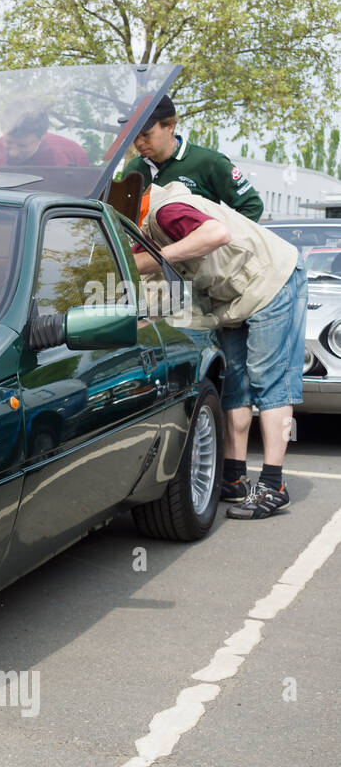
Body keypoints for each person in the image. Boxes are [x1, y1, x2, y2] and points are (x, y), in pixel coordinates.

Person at [134, 181, 306, 518]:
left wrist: (154, 258)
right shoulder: (145, 230)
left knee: (269, 382)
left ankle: (274, 486)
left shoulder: (165, 211)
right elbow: (162, 299)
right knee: (235, 382)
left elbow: (216, 234)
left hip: (272, 280)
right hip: (233, 298)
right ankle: (234, 477)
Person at [124, 95, 263, 222]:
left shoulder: (210, 162)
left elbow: (252, 206)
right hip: (145, 249)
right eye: (134, 135)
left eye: (146, 134)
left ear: (170, 126)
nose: (138, 143)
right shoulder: (134, 169)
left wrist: (219, 241)